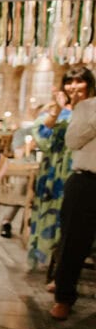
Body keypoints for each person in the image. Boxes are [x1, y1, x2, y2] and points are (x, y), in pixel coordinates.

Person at [27, 66, 96, 272]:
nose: (73, 86)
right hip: (54, 173)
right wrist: (59, 110)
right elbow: (42, 135)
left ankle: (63, 272)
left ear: (89, 84)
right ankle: (54, 269)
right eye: (69, 81)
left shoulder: (91, 108)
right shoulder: (55, 108)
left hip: (81, 169)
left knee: (75, 229)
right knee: (54, 217)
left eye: (79, 81)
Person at [50, 88, 96, 319]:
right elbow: (72, 141)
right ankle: (64, 298)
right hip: (87, 181)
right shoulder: (86, 107)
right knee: (73, 243)